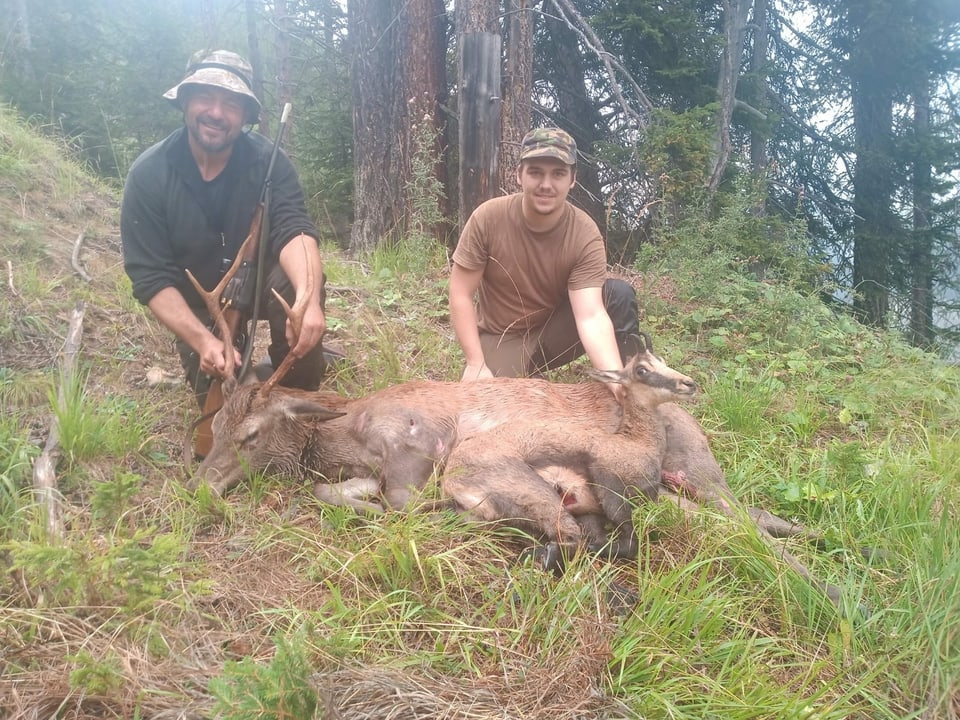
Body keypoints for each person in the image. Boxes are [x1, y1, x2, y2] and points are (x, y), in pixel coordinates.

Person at [121, 50, 330, 408]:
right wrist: (203, 342)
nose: (216, 113)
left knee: (292, 289)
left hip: (262, 282)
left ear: (246, 116)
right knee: (221, 404)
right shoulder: (148, 175)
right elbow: (150, 277)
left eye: (231, 104)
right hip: (199, 307)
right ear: (185, 102)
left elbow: (294, 228)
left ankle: (297, 390)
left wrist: (307, 299)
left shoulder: (270, 162)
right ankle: (237, 367)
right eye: (205, 97)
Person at [449, 127, 640, 384]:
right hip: (501, 339)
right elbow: (460, 293)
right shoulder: (487, 218)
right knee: (494, 406)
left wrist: (616, 380)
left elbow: (591, 315)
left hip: (552, 336)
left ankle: (632, 378)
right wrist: (475, 363)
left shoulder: (584, 233)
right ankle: (515, 373)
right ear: (519, 175)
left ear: (572, 179)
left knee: (617, 295)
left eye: (558, 174)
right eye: (536, 172)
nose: (546, 185)